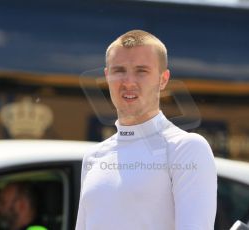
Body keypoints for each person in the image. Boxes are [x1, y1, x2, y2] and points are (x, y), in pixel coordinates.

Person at [75, 30, 217, 230]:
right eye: (119, 70)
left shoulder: (187, 148)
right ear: (107, 76)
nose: (129, 82)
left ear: (163, 79)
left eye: (141, 71)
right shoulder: (93, 156)